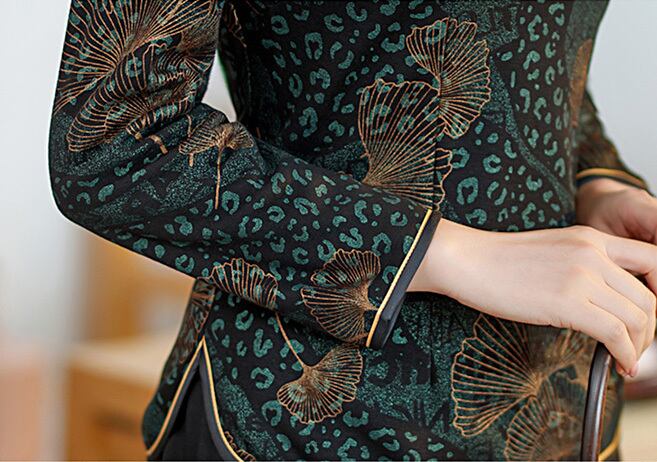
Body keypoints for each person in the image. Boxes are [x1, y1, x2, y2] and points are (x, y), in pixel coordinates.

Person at [48, 0, 657, 460]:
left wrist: (597, 183)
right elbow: (113, 147)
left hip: (561, 413)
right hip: (305, 424)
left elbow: (531, 53)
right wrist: (459, 255)